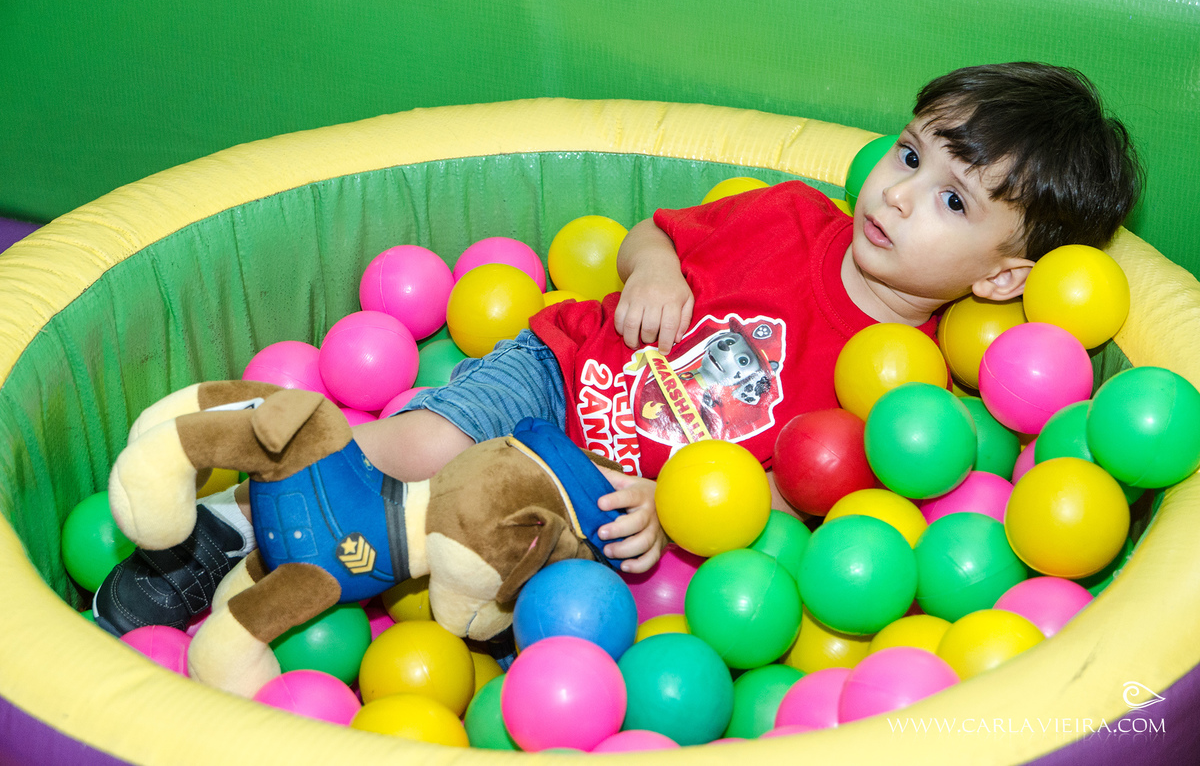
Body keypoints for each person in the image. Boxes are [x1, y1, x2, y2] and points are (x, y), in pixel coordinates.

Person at [94, 61, 1141, 635]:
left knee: (500, 584)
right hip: (559, 368)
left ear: (1003, 276)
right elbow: (657, 234)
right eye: (911, 152)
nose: (901, 191)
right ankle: (225, 525)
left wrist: (677, 506)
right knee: (411, 450)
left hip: (607, 484)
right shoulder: (787, 216)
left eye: (950, 198)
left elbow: (804, 490)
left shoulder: (910, 393)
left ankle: (306, 580)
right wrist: (656, 272)